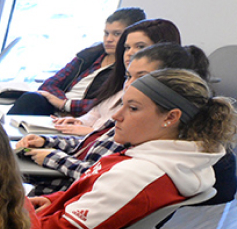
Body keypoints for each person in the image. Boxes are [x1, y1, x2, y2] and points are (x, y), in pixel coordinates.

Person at [31, 68, 235, 229]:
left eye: (133, 108)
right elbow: (101, 200)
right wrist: (56, 200)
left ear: (171, 117)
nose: (116, 116)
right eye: (122, 104)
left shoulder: (139, 175)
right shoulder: (171, 160)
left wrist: (14, 216)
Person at [17, 43, 210, 194]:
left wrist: (52, 156)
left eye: (142, 77)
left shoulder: (141, 133)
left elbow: (99, 175)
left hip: (56, 195)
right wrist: (46, 141)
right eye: (128, 76)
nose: (129, 84)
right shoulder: (128, 115)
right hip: (52, 192)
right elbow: (88, 146)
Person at [51, 18, 182, 136]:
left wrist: (92, 133)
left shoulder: (160, 94)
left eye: (140, 47)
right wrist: (79, 122)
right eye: (127, 47)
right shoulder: (121, 82)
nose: (130, 53)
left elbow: (132, 136)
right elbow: (96, 112)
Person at [7, 8, 146, 116]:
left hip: (84, 117)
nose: (109, 39)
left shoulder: (130, 68)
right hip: (57, 109)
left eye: (116, 34)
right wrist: (61, 103)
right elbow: (50, 84)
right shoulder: (90, 55)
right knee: (31, 98)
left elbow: (106, 106)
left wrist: (66, 105)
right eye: (106, 33)